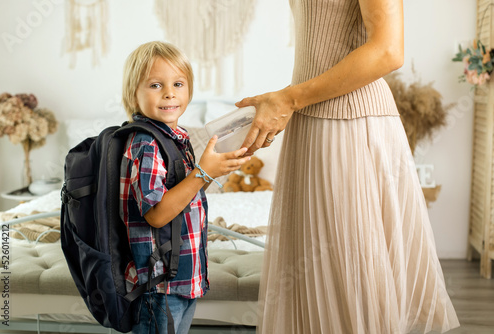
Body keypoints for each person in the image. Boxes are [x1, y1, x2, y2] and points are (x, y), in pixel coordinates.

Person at [235, 0, 460, 333]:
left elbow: (388, 50)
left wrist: (288, 99)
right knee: (314, 271)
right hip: (311, 118)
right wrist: (290, 101)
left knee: (351, 270)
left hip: (346, 124)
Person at [119, 41, 249, 334]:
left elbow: (185, 198)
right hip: (157, 285)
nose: (169, 93)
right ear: (133, 94)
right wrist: (203, 174)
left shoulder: (176, 137)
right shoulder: (146, 144)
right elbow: (156, 214)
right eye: (155, 85)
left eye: (178, 83)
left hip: (181, 278)